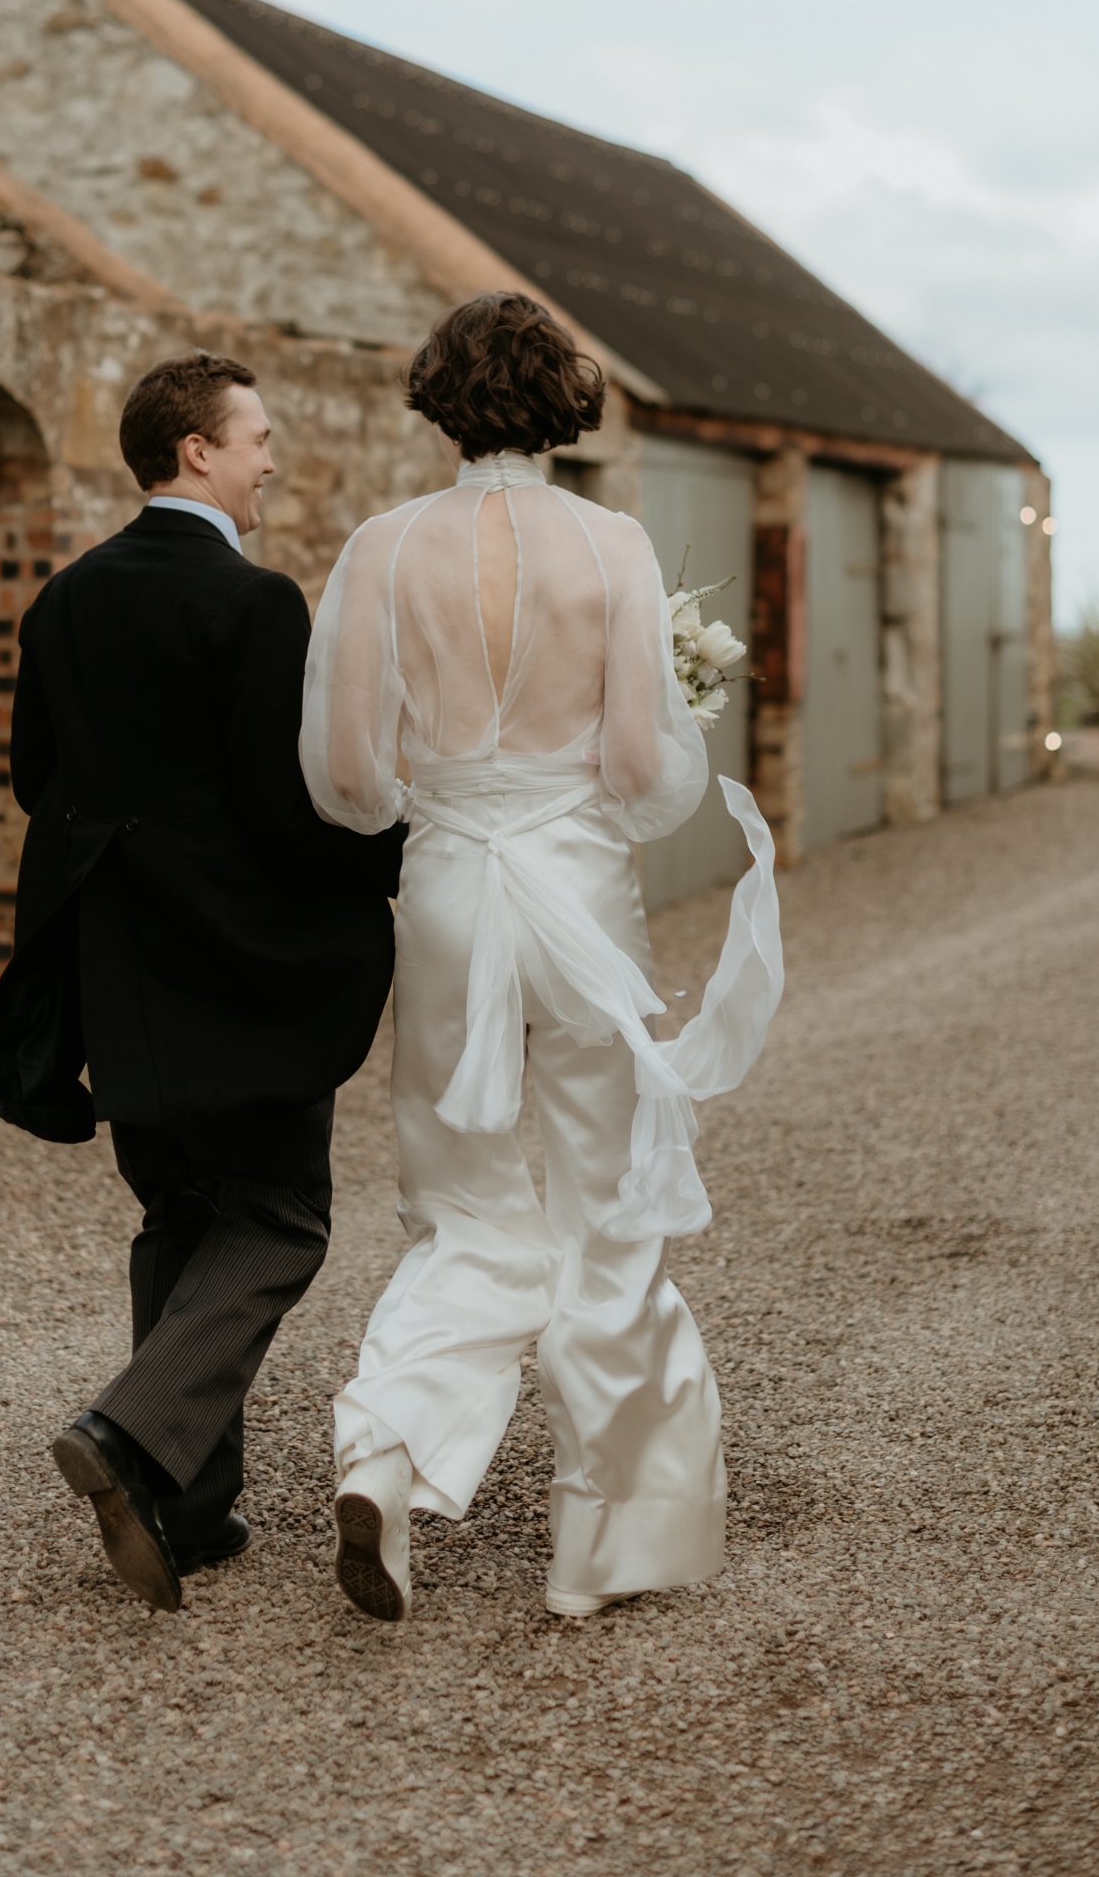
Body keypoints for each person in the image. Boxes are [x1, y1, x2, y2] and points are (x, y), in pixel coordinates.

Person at [300, 293, 781, 1622]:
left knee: (461, 1200)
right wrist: (576, 813)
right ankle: (600, 1547)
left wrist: (451, 802)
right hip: (571, 889)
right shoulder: (609, 545)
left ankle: (388, 1453)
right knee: (601, 1202)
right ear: (559, 399)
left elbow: (346, 777)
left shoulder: (380, 548)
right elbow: (639, 769)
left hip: (448, 891)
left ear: (437, 399)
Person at [0, 352, 402, 1615]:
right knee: (277, 1216)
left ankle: (193, 1509)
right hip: (241, 971)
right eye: (257, 437)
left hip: (122, 974)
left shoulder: (63, 601)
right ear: (196, 451)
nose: (272, 458)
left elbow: (34, 777)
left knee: (177, 1212)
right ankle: (122, 1434)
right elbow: (288, 810)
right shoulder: (254, 603)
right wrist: (404, 850)